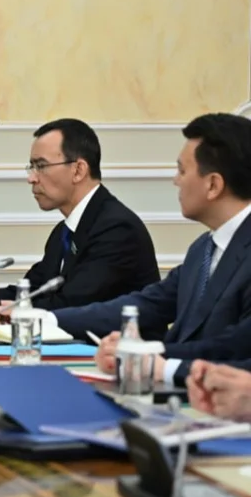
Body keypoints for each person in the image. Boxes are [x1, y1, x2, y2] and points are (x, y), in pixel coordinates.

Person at [59, 113, 251, 386]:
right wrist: (45, 320)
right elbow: (146, 304)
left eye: (182, 171)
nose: (175, 181)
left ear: (213, 185)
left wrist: (149, 356)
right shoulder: (202, 249)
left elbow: (237, 347)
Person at [0, 119, 160, 317]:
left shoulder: (117, 229)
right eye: (32, 167)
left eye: (41, 166)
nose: (31, 178)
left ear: (78, 170)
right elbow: (31, 291)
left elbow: (70, 305)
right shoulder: (64, 231)